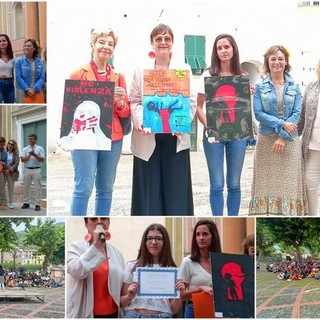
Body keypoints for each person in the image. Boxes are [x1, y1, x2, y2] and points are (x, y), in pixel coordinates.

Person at [130, 23, 196, 216]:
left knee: (176, 190)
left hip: (175, 137)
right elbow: (134, 99)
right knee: (149, 192)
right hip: (148, 137)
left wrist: (181, 122)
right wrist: (143, 121)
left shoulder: (184, 69)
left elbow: (191, 101)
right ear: (152, 43)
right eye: (158, 39)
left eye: (167, 38)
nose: (163, 42)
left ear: (172, 42)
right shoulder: (140, 70)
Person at [69, 28, 130, 216]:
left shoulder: (119, 77)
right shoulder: (78, 73)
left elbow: (126, 111)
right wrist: (67, 137)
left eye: (110, 44)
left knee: (106, 189)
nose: (106, 47)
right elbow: (69, 108)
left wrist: (120, 102)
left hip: (112, 137)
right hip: (85, 136)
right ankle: (78, 227)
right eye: (102, 42)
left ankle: (101, 225)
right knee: (84, 187)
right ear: (93, 45)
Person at [249, 45, 308, 216]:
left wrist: (282, 136)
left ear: (286, 62)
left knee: (288, 183)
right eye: (273, 58)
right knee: (266, 183)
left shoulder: (295, 86)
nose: (277, 62)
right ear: (267, 61)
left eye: (280, 58)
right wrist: (282, 124)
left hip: (289, 141)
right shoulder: (260, 86)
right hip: (266, 140)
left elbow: (297, 114)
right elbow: (258, 114)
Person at [196, 34, 249, 216]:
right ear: (215, 52)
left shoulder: (243, 77)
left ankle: (232, 218)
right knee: (217, 184)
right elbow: (198, 107)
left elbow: (246, 109)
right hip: (214, 135)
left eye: (226, 47)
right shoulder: (208, 75)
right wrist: (210, 128)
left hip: (237, 135)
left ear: (233, 49)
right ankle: (218, 219)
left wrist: (250, 94)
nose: (223, 51)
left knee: (234, 183)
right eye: (219, 48)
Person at [120, 223, 184, 318]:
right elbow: (121, 303)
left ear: (165, 242)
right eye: (149, 238)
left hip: (163, 316)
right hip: (134, 315)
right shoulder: (132, 267)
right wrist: (129, 296)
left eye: (158, 238)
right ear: (144, 242)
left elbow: (174, 310)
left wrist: (179, 294)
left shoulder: (171, 271)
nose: (153, 242)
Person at [67, 217, 125, 318]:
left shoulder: (117, 253)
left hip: (113, 314)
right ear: (86, 225)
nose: (99, 221)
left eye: (103, 218)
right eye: (93, 219)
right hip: (86, 314)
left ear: (108, 223)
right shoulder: (75, 248)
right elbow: (76, 271)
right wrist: (96, 247)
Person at [179, 219, 222, 318]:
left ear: (213, 236)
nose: (201, 238)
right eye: (198, 234)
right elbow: (181, 295)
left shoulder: (221, 262)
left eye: (205, 234)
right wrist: (200, 289)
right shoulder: (188, 262)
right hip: (194, 309)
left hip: (218, 310)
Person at [298, 58, 320, 216]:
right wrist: (288, 136)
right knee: (309, 184)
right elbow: (302, 116)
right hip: (311, 146)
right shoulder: (312, 86)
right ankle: (312, 217)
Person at [15, 38, 45, 103]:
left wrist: (34, 89)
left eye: (29, 46)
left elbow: (42, 77)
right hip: (23, 91)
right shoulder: (19, 61)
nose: (26, 47)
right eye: (25, 46)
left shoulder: (40, 62)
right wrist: (27, 89)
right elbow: (18, 77)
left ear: (34, 48)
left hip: (37, 90)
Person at [20, 133, 45, 211]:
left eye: (32, 139)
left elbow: (42, 159)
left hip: (36, 169)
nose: (30, 140)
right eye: (29, 139)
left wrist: (34, 154)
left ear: (35, 140)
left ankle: (37, 204)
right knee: (26, 187)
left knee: (38, 187)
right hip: (27, 169)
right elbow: (22, 160)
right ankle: (26, 202)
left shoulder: (40, 148)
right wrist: (29, 155)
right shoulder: (25, 149)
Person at [4, 139, 20, 209]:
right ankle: (3, 202)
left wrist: (9, 170)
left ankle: (10, 202)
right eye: (9, 144)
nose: (10, 145)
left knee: (10, 188)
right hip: (3, 172)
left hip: (11, 173)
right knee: (1, 188)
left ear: (14, 146)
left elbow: (16, 164)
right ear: (7, 145)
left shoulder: (16, 154)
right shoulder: (3, 152)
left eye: (12, 144)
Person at [0, 34, 15, 103]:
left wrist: (13, 83)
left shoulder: (12, 56)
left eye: (4, 41)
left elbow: (12, 72)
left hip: (10, 85)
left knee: (10, 102)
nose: (2, 42)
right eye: (0, 41)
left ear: (7, 42)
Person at [0, 137, 8, 210]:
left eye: (2, 143)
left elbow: (6, 162)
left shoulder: (5, 152)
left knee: (2, 188)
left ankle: (3, 203)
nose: (1, 144)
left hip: (1, 171)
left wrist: (2, 163)